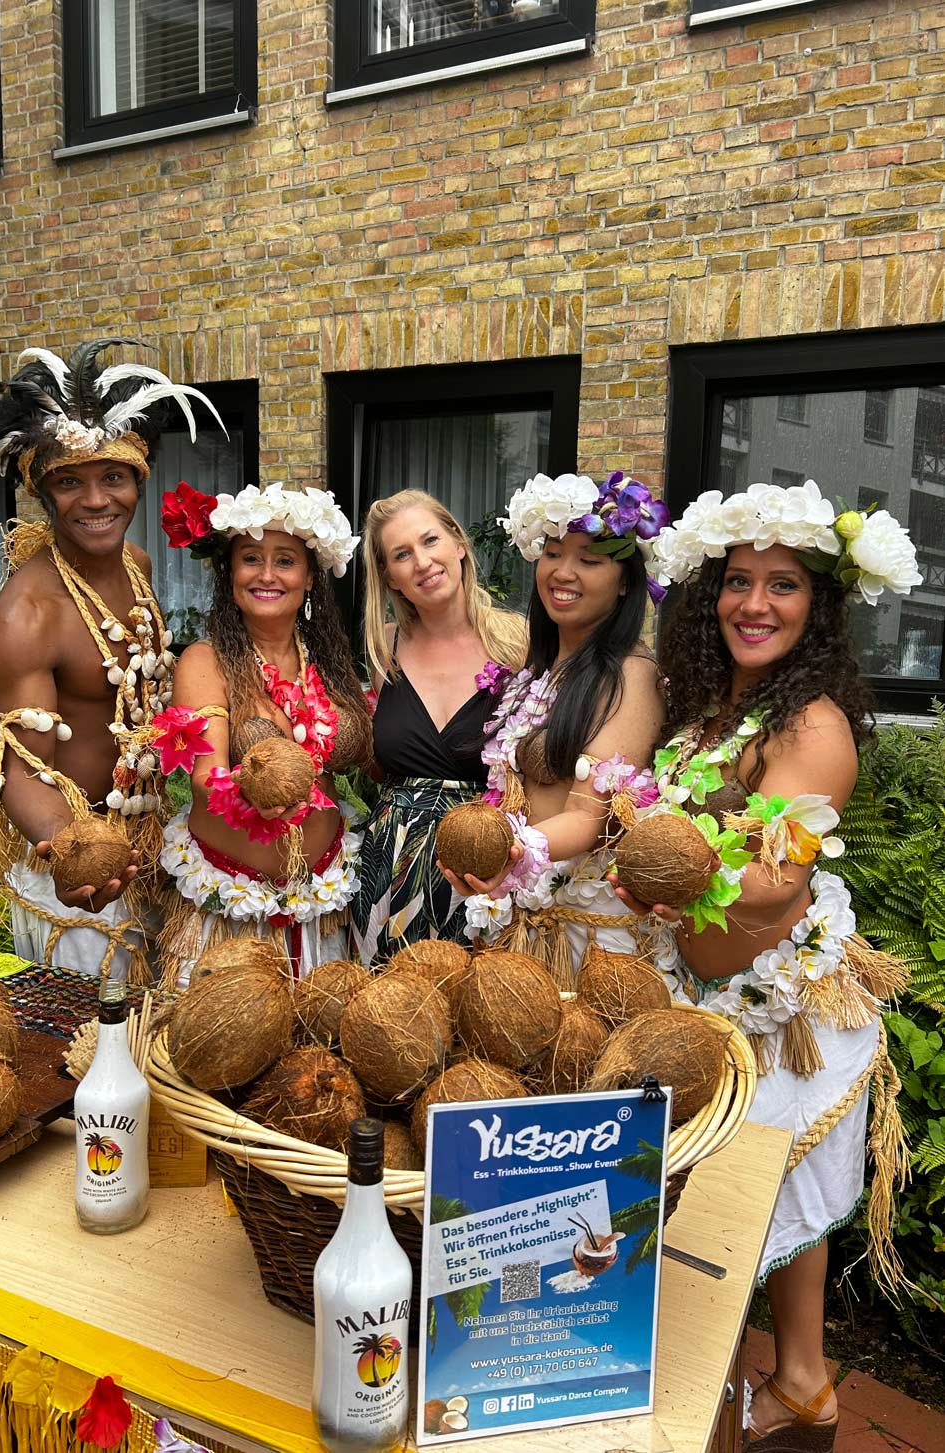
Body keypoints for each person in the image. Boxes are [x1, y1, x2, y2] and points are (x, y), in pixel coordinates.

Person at [617, 482, 922, 1451]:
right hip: (700, 990)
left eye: (782, 584)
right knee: (745, 1199)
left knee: (756, 1198)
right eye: (737, 581)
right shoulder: (716, 711)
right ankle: (797, 1385)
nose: (753, 603)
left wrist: (659, 869)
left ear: (817, 605)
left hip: (779, 1009)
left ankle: (787, 1390)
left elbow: (774, 884)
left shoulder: (810, 727)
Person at [0, 340, 223, 978]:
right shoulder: (27, 616)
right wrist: (71, 851)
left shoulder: (137, 564)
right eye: (69, 482)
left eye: (113, 477)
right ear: (41, 492)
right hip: (78, 865)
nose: (96, 499)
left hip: (152, 839)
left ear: (139, 479)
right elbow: (22, 768)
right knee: (91, 1031)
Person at [442, 471, 670, 987]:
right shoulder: (537, 673)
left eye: (589, 560)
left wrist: (503, 850)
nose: (563, 572)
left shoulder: (631, 676)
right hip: (522, 916)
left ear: (626, 582)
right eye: (552, 553)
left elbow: (589, 817)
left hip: (588, 942)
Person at [156, 481, 372, 985]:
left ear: (310, 577)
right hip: (234, 905)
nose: (267, 574)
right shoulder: (206, 661)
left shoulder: (328, 663)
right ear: (230, 574)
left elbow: (370, 762)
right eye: (251, 559)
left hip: (322, 902)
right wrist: (248, 797)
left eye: (285, 561)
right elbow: (205, 778)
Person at [351, 490, 527, 965]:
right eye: (402, 554)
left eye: (430, 541)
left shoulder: (519, 643)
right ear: (389, 576)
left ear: (458, 543)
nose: (423, 562)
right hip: (388, 868)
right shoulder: (384, 649)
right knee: (387, 1002)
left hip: (482, 870)